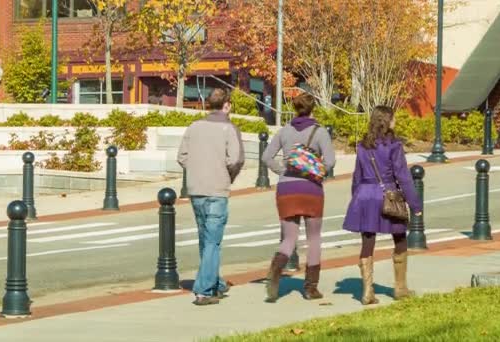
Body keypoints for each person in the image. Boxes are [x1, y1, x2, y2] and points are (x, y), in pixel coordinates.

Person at [342, 105, 423, 305]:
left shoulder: (362, 146)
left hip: (365, 195)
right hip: (388, 195)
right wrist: (415, 204)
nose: (395, 121)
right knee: (399, 237)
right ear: (387, 121)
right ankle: (400, 287)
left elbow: (357, 177)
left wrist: (357, 198)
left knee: (368, 241)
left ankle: (367, 291)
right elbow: (403, 177)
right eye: (393, 118)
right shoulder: (394, 146)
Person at [261, 93, 336, 303]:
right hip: (311, 189)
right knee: (314, 238)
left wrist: (283, 170)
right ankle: (311, 288)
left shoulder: (284, 131)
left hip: (286, 188)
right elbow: (330, 161)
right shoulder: (320, 132)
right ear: (313, 109)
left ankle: (275, 271)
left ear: (295, 109)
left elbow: (266, 157)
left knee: (289, 238)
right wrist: (316, 171)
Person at [177, 88, 245, 306]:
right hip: (217, 190)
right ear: (227, 106)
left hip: (196, 189)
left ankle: (214, 282)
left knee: (205, 239)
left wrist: (197, 169)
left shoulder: (194, 127)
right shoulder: (229, 128)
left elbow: (182, 156)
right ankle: (204, 290)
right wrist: (227, 175)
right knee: (213, 241)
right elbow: (235, 160)